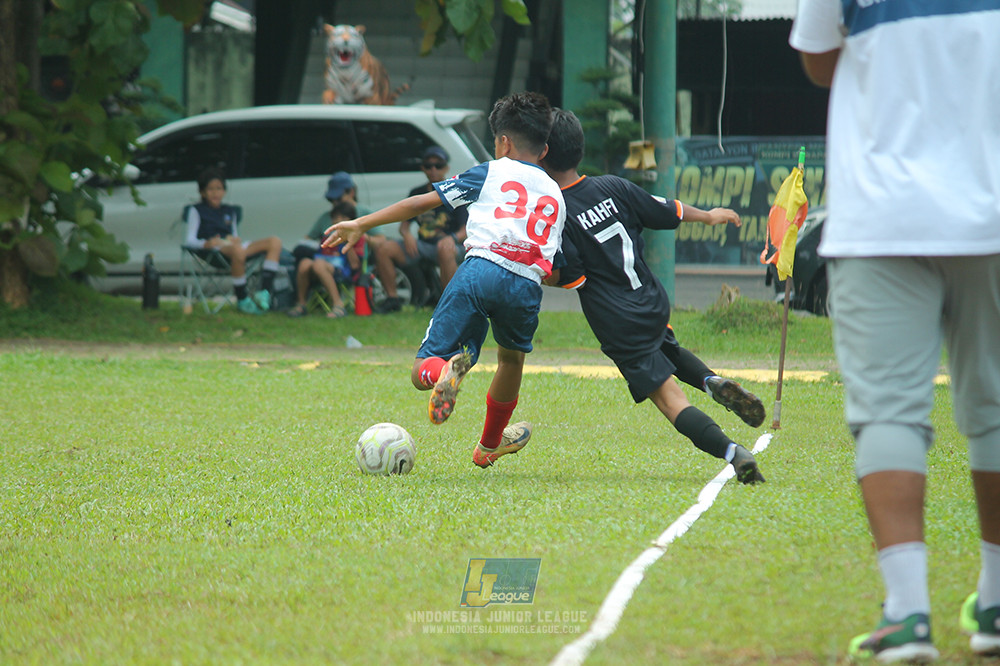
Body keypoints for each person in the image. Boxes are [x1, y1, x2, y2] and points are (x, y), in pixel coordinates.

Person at [790, 2, 1000, 661]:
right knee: (997, 408)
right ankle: (997, 601)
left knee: (887, 412)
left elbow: (819, 61)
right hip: (993, 206)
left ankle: (908, 613)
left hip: (881, 211)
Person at [324, 91, 565, 468]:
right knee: (511, 360)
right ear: (545, 149)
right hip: (524, 284)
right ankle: (488, 446)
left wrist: (362, 223)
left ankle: (441, 374)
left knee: (422, 365)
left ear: (503, 143)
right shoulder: (556, 195)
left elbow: (420, 203)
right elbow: (555, 268)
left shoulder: (490, 171)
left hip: (480, 269)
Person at [540, 109, 765, 485]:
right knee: (668, 351)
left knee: (671, 400)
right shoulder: (613, 186)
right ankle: (711, 381)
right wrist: (709, 216)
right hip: (650, 300)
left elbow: (570, 277)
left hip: (618, 320)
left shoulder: (559, 213)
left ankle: (732, 452)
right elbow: (667, 210)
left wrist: (532, 269)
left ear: (542, 153)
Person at [372, 146, 469, 313]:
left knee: (444, 248)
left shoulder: (454, 191)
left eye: (438, 165)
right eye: (428, 166)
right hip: (423, 246)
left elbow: (465, 229)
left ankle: (449, 303)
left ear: (446, 168)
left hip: (451, 246)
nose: (433, 170)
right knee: (384, 248)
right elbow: (404, 225)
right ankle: (392, 299)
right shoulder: (417, 193)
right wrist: (407, 235)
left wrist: (451, 238)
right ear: (422, 168)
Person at [183, 168, 283, 314]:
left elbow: (234, 234)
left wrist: (235, 239)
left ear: (224, 191)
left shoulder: (230, 210)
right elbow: (189, 240)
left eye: (219, 188)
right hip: (214, 251)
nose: (215, 193)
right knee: (238, 250)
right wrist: (206, 243)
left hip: (232, 247)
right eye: (210, 189)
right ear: (202, 192)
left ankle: (264, 292)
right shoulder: (196, 210)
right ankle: (242, 299)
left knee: (274, 242)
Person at [286, 200, 361, 318]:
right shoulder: (327, 237)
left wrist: (347, 242)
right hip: (321, 267)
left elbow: (355, 265)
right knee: (304, 263)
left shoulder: (356, 236)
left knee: (318, 264)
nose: (338, 220)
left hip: (342, 271)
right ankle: (301, 304)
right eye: (335, 218)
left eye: (343, 217)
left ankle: (338, 305)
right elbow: (320, 254)